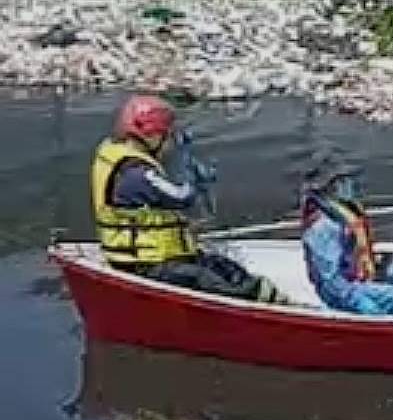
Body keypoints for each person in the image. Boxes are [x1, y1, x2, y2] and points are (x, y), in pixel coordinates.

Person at [91, 94, 288, 303]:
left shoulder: (119, 157)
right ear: (150, 136)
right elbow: (181, 197)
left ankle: (271, 297)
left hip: (163, 257)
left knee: (223, 266)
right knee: (207, 280)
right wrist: (192, 177)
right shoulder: (135, 174)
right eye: (166, 136)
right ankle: (264, 307)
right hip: (145, 264)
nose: (169, 143)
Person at [299, 159, 393, 321]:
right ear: (328, 188)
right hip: (346, 289)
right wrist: (363, 304)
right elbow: (332, 283)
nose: (348, 184)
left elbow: (355, 251)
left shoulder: (345, 211)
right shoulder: (322, 228)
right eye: (341, 180)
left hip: (361, 274)